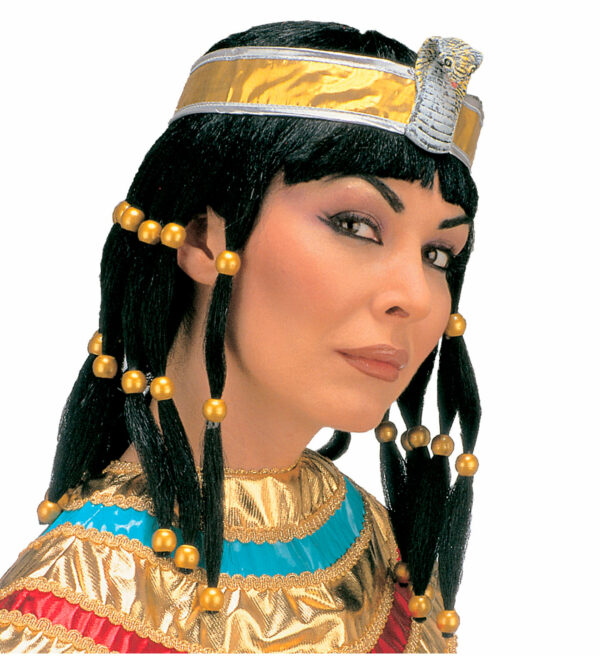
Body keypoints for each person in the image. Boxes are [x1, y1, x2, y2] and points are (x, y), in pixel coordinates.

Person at [0, 21, 483, 653]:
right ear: (204, 237)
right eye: (356, 225)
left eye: (438, 254)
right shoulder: (63, 619)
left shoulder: (375, 543)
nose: (416, 297)